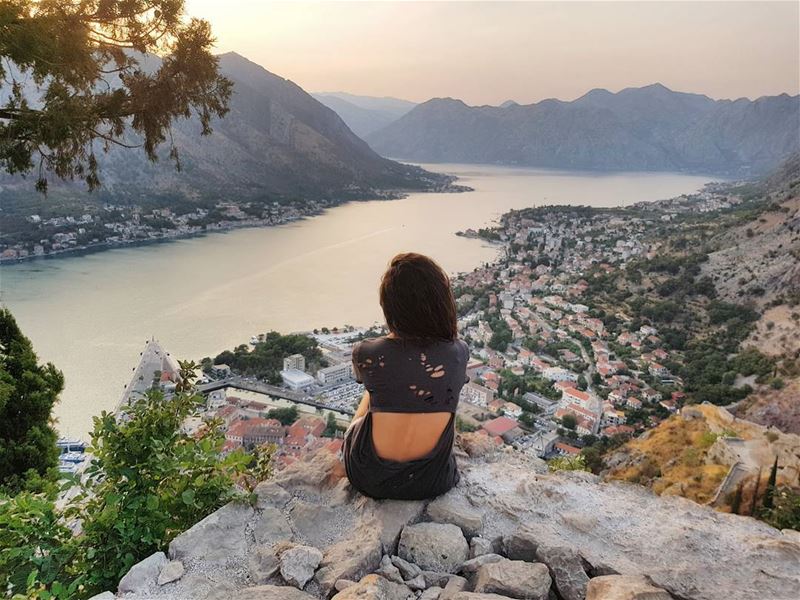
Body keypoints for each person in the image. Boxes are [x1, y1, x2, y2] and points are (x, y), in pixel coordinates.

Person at [343, 252, 469, 500]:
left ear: (389, 307)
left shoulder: (366, 352)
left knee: (376, 388)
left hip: (369, 477)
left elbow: (377, 385)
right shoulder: (459, 353)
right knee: (441, 391)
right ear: (442, 302)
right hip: (433, 480)